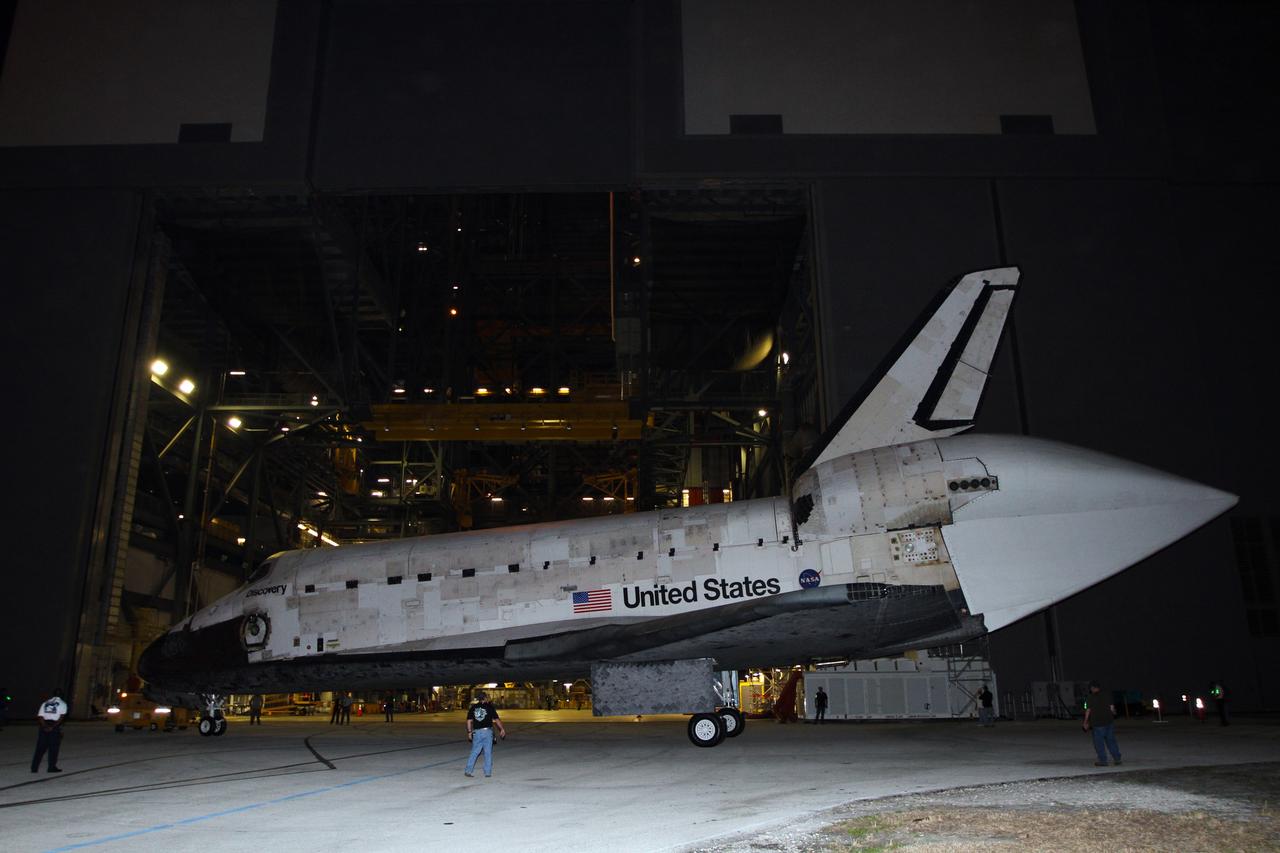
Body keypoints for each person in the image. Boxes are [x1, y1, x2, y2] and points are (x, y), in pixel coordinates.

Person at [464, 691, 506, 778]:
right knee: (488, 752)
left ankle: (468, 771)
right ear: (485, 698)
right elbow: (496, 719)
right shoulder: (489, 707)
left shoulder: (473, 707)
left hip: (477, 732)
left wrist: (469, 732)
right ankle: (487, 772)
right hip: (487, 732)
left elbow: (469, 721)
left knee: (475, 752)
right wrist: (501, 729)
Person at [1082, 681, 1121, 767]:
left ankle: (1103, 760)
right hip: (1109, 721)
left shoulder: (1090, 697)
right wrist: (1114, 714)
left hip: (1097, 723)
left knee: (1099, 743)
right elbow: (1112, 708)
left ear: (1092, 688)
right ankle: (1117, 758)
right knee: (1111, 741)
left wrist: (1085, 722)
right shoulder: (1107, 695)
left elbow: (1088, 710)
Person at [31, 689, 67, 773]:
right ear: (62, 695)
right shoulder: (63, 704)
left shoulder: (45, 703)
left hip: (44, 725)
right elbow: (61, 717)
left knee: (40, 748)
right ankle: (51, 767)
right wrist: (53, 727)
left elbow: (40, 716)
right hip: (54, 725)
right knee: (53, 748)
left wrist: (44, 726)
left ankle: (34, 767)